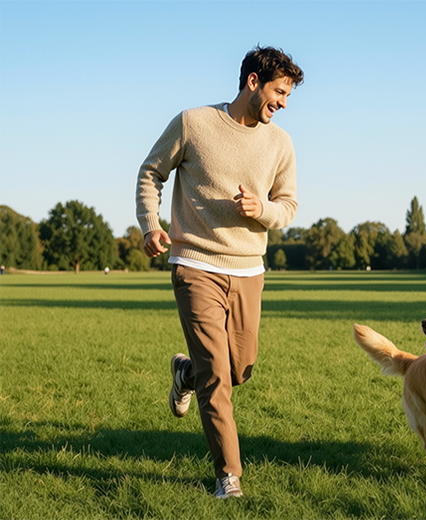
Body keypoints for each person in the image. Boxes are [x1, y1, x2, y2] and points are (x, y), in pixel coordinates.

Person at [136, 46, 304, 499]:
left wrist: (261, 209)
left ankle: (183, 374)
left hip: (249, 269)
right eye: (279, 91)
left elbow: (287, 206)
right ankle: (228, 476)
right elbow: (151, 173)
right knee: (217, 377)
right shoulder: (193, 123)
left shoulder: (280, 143)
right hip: (195, 264)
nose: (284, 102)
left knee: (239, 369)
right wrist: (151, 225)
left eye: (287, 95)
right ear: (253, 81)